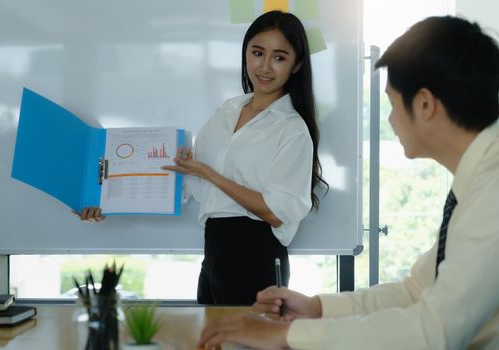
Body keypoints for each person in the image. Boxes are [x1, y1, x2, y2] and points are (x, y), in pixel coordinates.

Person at [198, 15, 499, 349]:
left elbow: (434, 331)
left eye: (392, 103)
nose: (390, 120)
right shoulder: (478, 181)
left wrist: (288, 335)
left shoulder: (492, 194)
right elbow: (416, 290)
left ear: (425, 104)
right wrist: (318, 308)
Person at [78, 11, 327, 305]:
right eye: (257, 53)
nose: (264, 66)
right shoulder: (226, 112)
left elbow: (276, 212)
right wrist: (106, 199)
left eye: (279, 57)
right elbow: (185, 185)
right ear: (245, 52)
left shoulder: (292, 129)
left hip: (256, 257)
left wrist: (210, 174)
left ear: (296, 65)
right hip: (214, 256)